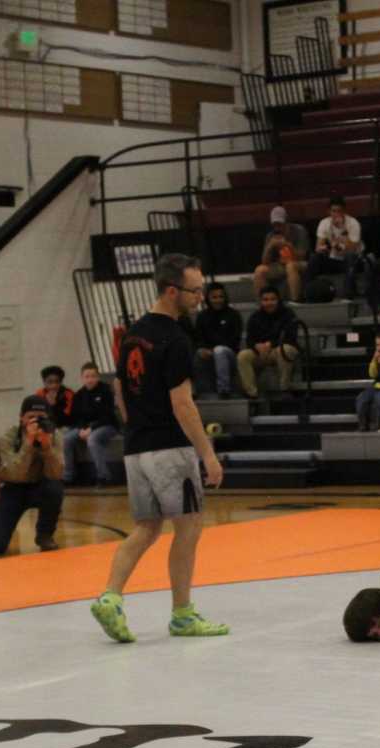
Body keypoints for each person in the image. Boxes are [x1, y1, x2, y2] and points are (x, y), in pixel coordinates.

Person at [91, 253, 227, 643]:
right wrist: (207, 454)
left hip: (136, 448)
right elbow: (182, 403)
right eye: (194, 290)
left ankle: (110, 597)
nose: (200, 297)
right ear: (171, 291)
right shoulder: (176, 339)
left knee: (146, 528)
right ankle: (182, 614)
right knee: (189, 527)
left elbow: (119, 389)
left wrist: (136, 424)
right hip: (169, 447)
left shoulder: (132, 334)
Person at [0, 396, 66, 555]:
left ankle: (44, 536)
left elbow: (57, 474)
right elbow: (15, 474)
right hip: (13, 489)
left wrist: (47, 448)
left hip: (41, 486)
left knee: (55, 489)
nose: (36, 422)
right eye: (31, 417)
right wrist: (28, 444)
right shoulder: (8, 437)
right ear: (21, 418)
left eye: (41, 417)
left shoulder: (55, 435)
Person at [240, 287, 301, 399]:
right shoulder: (255, 317)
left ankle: (285, 388)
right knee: (243, 356)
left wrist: (271, 344)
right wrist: (256, 346)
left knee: (285, 349)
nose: (269, 303)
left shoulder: (288, 314)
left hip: (279, 349)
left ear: (278, 300)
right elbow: (249, 340)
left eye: (273, 299)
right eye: (265, 300)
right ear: (261, 301)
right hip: (261, 352)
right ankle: (251, 394)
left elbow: (290, 337)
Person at [72, 362, 120, 487]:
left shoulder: (106, 390)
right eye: (87, 376)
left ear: (98, 377)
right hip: (86, 427)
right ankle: (69, 476)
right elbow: (77, 416)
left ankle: (103, 476)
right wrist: (82, 429)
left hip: (108, 426)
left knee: (92, 439)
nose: (90, 379)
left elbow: (107, 415)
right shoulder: (79, 395)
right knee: (67, 439)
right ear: (82, 378)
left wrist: (91, 429)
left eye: (93, 376)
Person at [310, 196, 365, 300]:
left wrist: (341, 229)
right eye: (333, 211)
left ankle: (348, 295)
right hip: (335, 260)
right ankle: (309, 292)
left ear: (344, 211)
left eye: (339, 211)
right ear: (329, 212)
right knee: (315, 257)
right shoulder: (324, 223)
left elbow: (353, 248)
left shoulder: (353, 223)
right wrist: (325, 248)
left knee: (350, 257)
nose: (336, 214)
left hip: (354, 260)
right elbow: (318, 247)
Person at [194, 283, 242, 398]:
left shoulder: (234, 315)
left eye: (221, 297)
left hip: (229, 353)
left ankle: (224, 390)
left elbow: (235, 340)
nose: (218, 300)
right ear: (208, 299)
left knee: (219, 351)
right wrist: (203, 348)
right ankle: (197, 392)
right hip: (208, 352)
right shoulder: (202, 316)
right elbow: (198, 338)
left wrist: (214, 350)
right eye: (214, 297)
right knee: (196, 352)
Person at [252, 206, 308, 302]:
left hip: (299, 263)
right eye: (275, 225)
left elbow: (302, 256)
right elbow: (264, 262)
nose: (277, 228)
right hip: (280, 265)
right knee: (259, 270)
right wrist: (270, 247)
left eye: (280, 224)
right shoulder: (271, 235)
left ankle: (295, 300)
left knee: (290, 266)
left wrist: (288, 245)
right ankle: (262, 303)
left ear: (287, 221)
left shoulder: (299, 231)